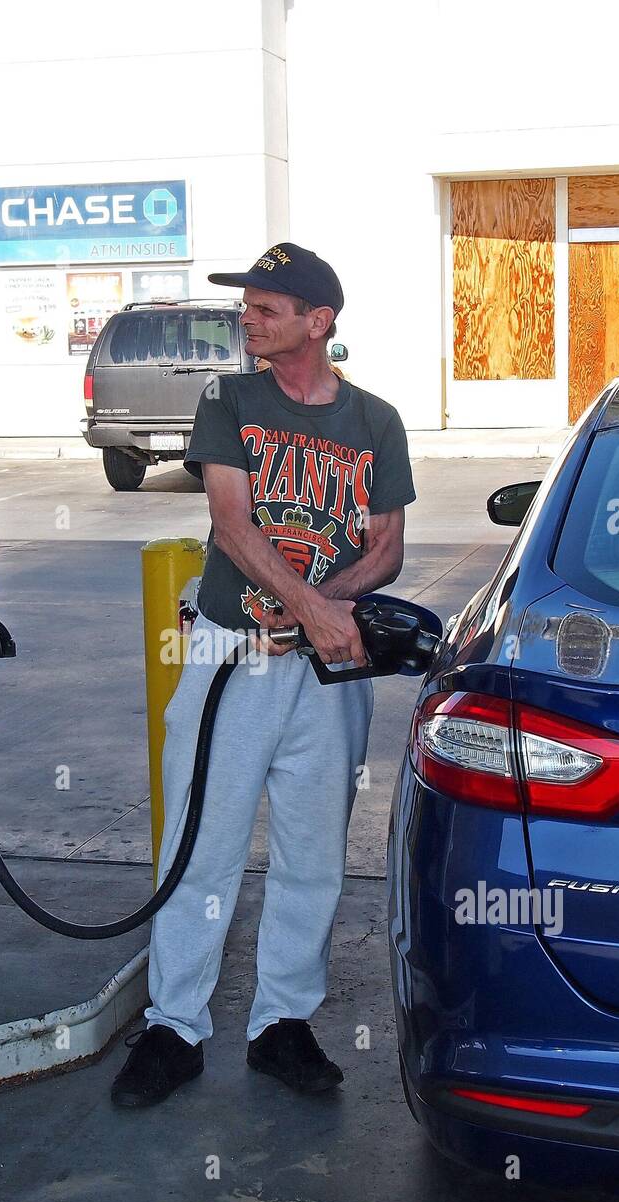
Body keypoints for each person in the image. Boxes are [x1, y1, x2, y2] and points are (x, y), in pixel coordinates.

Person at [111, 243, 416, 1108]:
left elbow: (386, 547)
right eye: (246, 306)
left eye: (266, 309)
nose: (247, 319)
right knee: (200, 843)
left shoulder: (374, 422)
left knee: (313, 849)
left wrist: (322, 603)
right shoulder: (230, 399)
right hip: (230, 651)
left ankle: (282, 1022)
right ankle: (174, 1026)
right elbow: (232, 523)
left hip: (327, 668)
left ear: (318, 322)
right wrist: (306, 607)